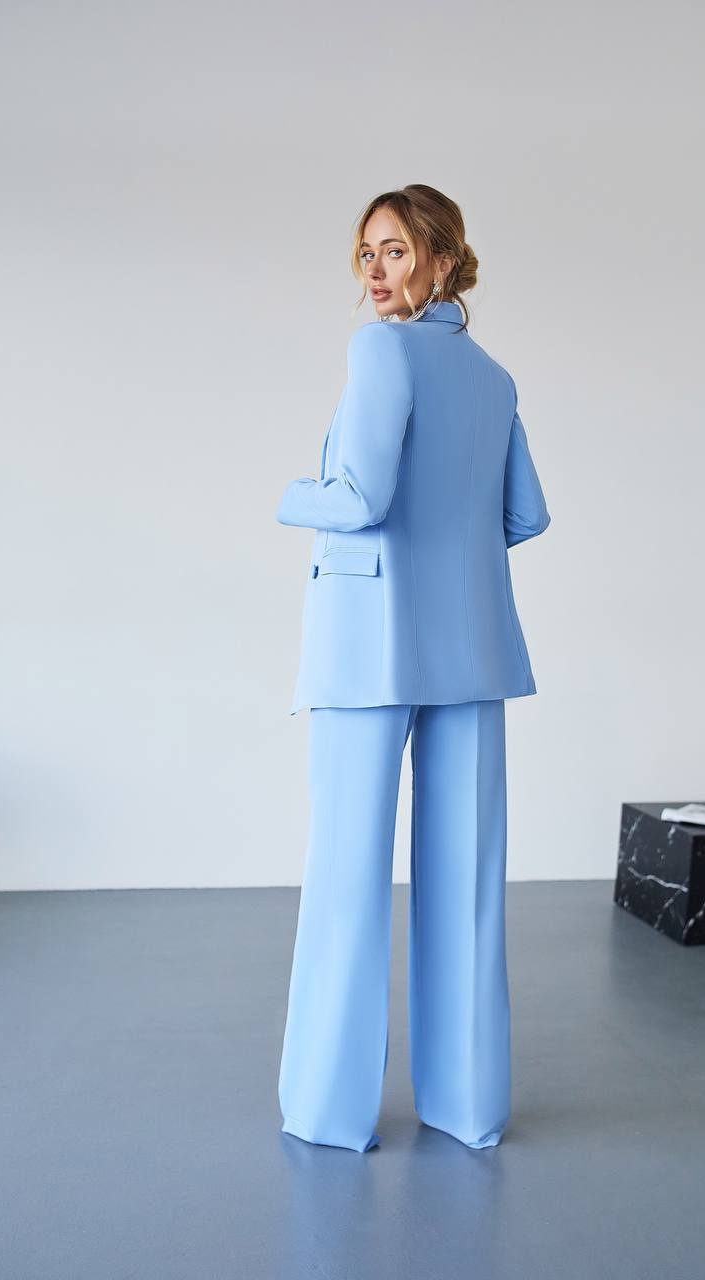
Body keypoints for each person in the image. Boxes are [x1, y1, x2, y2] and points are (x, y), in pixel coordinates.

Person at [275, 184, 551, 1152]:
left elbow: (357, 496)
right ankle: (469, 1107)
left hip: (370, 647)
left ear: (439, 257)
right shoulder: (494, 377)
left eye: (393, 250)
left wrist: (287, 494)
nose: (376, 272)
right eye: (366, 255)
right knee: (467, 888)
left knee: (346, 878)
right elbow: (523, 516)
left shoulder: (376, 351)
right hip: (470, 645)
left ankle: (327, 1109)